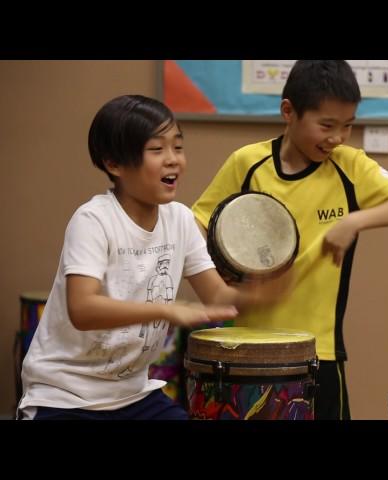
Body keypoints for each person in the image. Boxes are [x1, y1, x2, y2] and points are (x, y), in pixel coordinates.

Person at [17, 95, 289, 420]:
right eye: (157, 150)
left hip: (133, 396)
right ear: (114, 163)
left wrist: (254, 295)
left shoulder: (180, 220)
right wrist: (166, 309)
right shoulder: (93, 220)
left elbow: (216, 294)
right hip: (64, 397)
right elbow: (82, 308)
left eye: (178, 147)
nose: (173, 159)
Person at [192, 60, 388, 419]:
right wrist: (215, 273)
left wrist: (355, 220)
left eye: (348, 126)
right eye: (326, 125)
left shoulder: (349, 166)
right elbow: (196, 223)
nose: (337, 138)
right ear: (289, 111)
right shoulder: (247, 163)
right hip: (245, 347)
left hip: (320, 351)